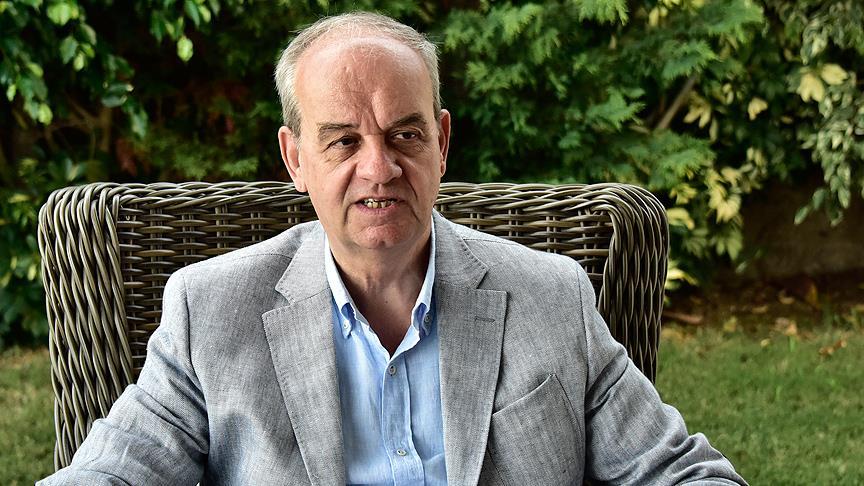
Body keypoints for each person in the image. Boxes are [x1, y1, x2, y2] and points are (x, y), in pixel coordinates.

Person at [40, 11, 746, 485]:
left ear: (442, 140)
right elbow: (111, 473)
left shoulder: (552, 297)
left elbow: (681, 473)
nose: (379, 168)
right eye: (344, 141)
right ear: (295, 158)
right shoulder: (211, 311)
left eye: (405, 134)